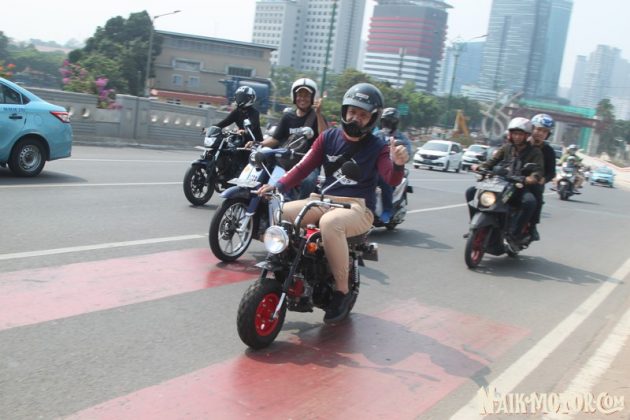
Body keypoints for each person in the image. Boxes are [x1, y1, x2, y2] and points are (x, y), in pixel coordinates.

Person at [256, 83, 409, 324]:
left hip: (358, 207)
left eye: (363, 115)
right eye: (352, 111)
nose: (355, 118)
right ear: (345, 110)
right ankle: (285, 266)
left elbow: (390, 178)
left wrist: (398, 164)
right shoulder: (328, 137)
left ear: (372, 119)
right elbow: (303, 167)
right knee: (281, 212)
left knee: (329, 223)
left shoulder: (378, 147)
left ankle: (342, 292)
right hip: (323, 200)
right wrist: (278, 186)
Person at [465, 117, 544, 248]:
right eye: (514, 133)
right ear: (510, 134)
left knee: (529, 202)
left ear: (526, 136)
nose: (517, 137)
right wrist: (480, 167)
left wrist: (531, 178)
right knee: (471, 191)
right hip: (500, 183)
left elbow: (538, 171)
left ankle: (514, 234)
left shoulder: (535, 152)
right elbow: (492, 161)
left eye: (520, 134)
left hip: (518, 186)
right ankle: (475, 226)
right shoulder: (506, 148)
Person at [248, 78, 328, 198]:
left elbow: (325, 138)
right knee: (262, 169)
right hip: (285, 161)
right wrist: (258, 144)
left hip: (308, 164)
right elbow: (275, 139)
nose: (303, 98)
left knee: (308, 181)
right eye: (300, 95)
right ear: (294, 96)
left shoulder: (317, 117)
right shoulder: (288, 117)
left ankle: (300, 206)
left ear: (313, 98)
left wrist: (318, 113)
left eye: (307, 95)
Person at [373, 107, 412, 223]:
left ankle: (387, 210)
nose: (386, 124)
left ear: (395, 122)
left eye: (389, 121)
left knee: (386, 181)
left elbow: (407, 153)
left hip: (391, 171)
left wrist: (400, 152)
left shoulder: (402, 138)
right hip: (374, 169)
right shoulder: (377, 135)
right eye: (384, 121)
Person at [528, 113, 557, 241]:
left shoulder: (549, 151)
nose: (540, 133)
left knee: (535, 200)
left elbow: (552, 172)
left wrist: (543, 179)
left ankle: (532, 226)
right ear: (532, 129)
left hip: (534, 183)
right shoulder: (521, 143)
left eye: (544, 131)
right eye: (538, 129)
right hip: (514, 178)